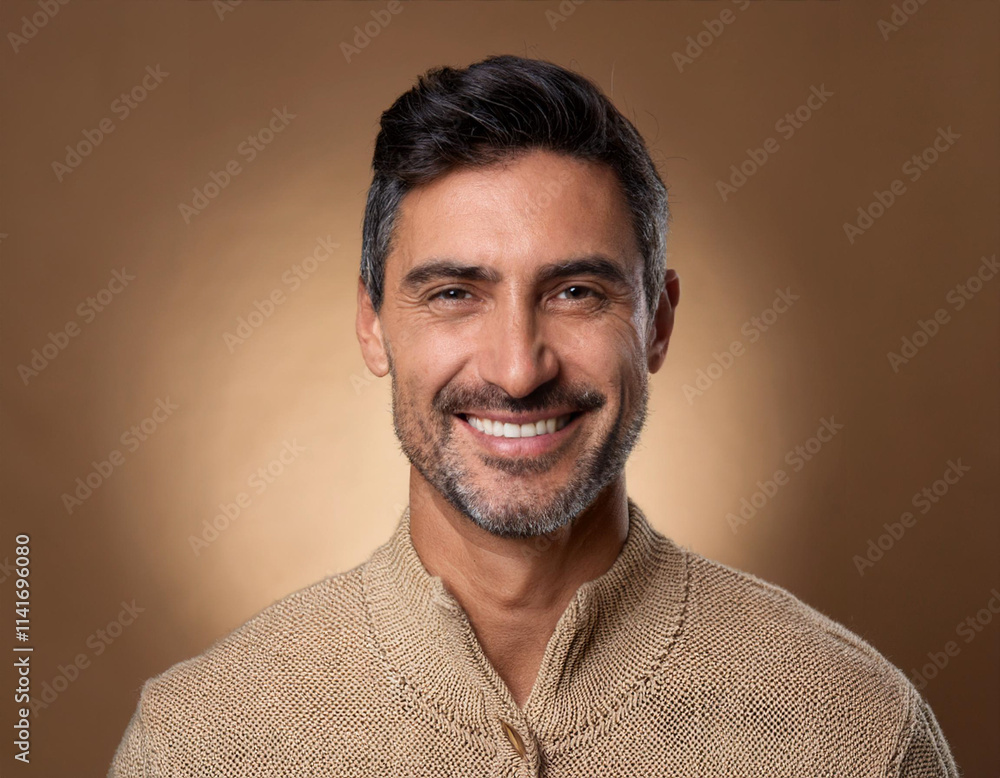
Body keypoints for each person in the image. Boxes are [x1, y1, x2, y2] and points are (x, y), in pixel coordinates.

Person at [109, 54, 958, 777]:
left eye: (576, 292)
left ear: (656, 322)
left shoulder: (856, 733)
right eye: (453, 294)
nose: (518, 370)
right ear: (372, 324)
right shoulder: (202, 743)